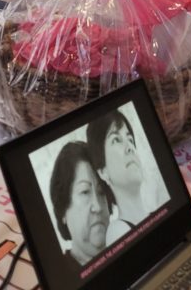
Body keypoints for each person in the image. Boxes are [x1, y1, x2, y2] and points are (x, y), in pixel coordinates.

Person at [86, 110, 149, 245]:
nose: (130, 147)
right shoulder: (118, 232)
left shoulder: (156, 215)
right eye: (116, 140)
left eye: (130, 139)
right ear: (103, 172)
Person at [48, 141, 111, 270]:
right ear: (63, 209)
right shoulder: (61, 277)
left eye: (101, 191)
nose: (98, 207)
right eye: (85, 192)